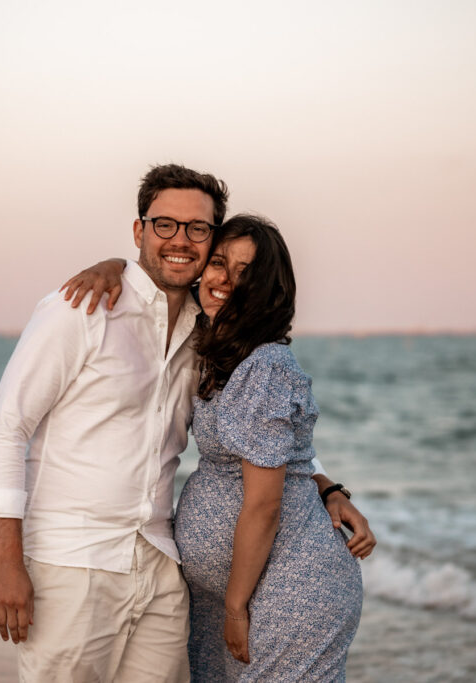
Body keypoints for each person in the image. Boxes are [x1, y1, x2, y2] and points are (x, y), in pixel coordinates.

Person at [0, 164, 372, 682]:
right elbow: (6, 430)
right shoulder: (80, 309)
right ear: (139, 231)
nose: (180, 239)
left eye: (197, 229)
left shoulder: (206, 333)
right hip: (74, 560)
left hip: (160, 564)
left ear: (209, 241)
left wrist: (325, 485)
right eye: (164, 224)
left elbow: (263, 432)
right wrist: (6, 562)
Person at [65, 215, 365, 681]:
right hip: (231, 592)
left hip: (287, 586)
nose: (225, 279)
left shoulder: (264, 364)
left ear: (269, 290)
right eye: (220, 262)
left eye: (246, 272)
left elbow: (264, 504)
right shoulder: (215, 345)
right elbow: (160, 277)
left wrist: (236, 605)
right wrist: (113, 266)